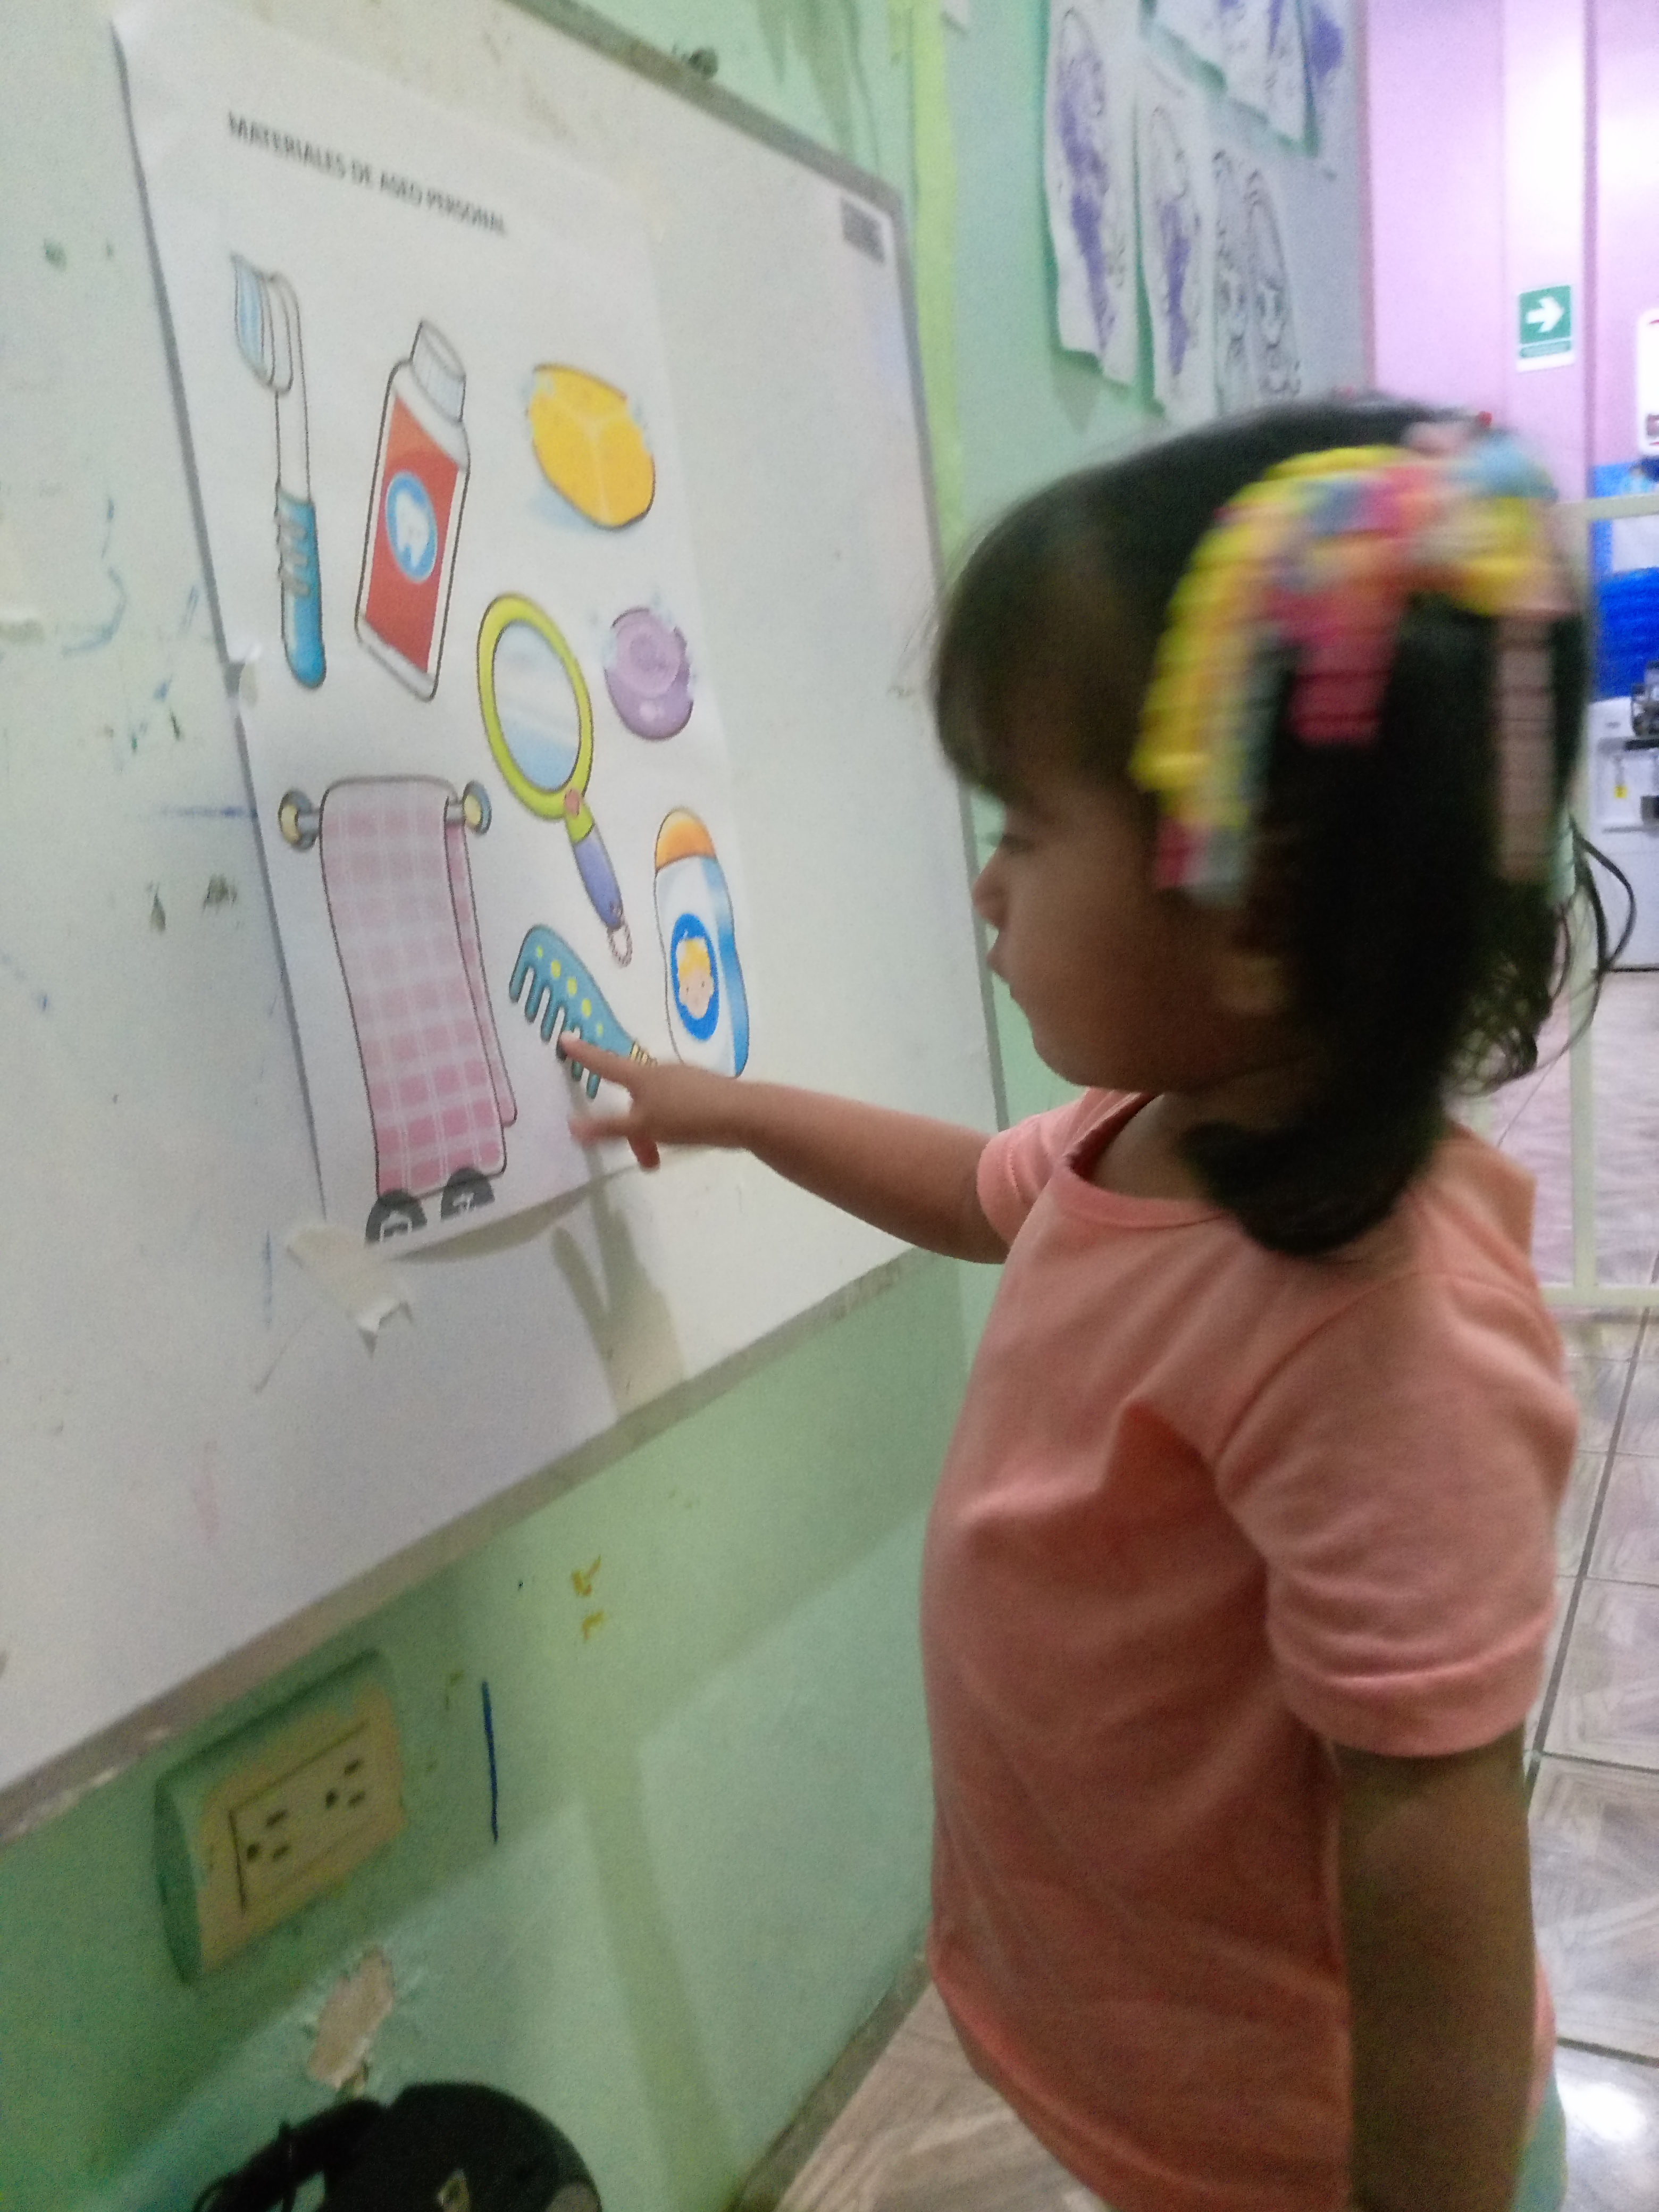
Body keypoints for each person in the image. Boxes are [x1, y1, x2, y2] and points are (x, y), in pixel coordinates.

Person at [564, 400, 1592, 2212]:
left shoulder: (1379, 1324)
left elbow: (1431, 1840)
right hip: (1156, 2078)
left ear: (1254, 908)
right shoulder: (1156, 1135)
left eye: (1028, 833)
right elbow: (977, 1190)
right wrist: (732, 1108)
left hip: (1305, 2159)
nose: (986, 887)